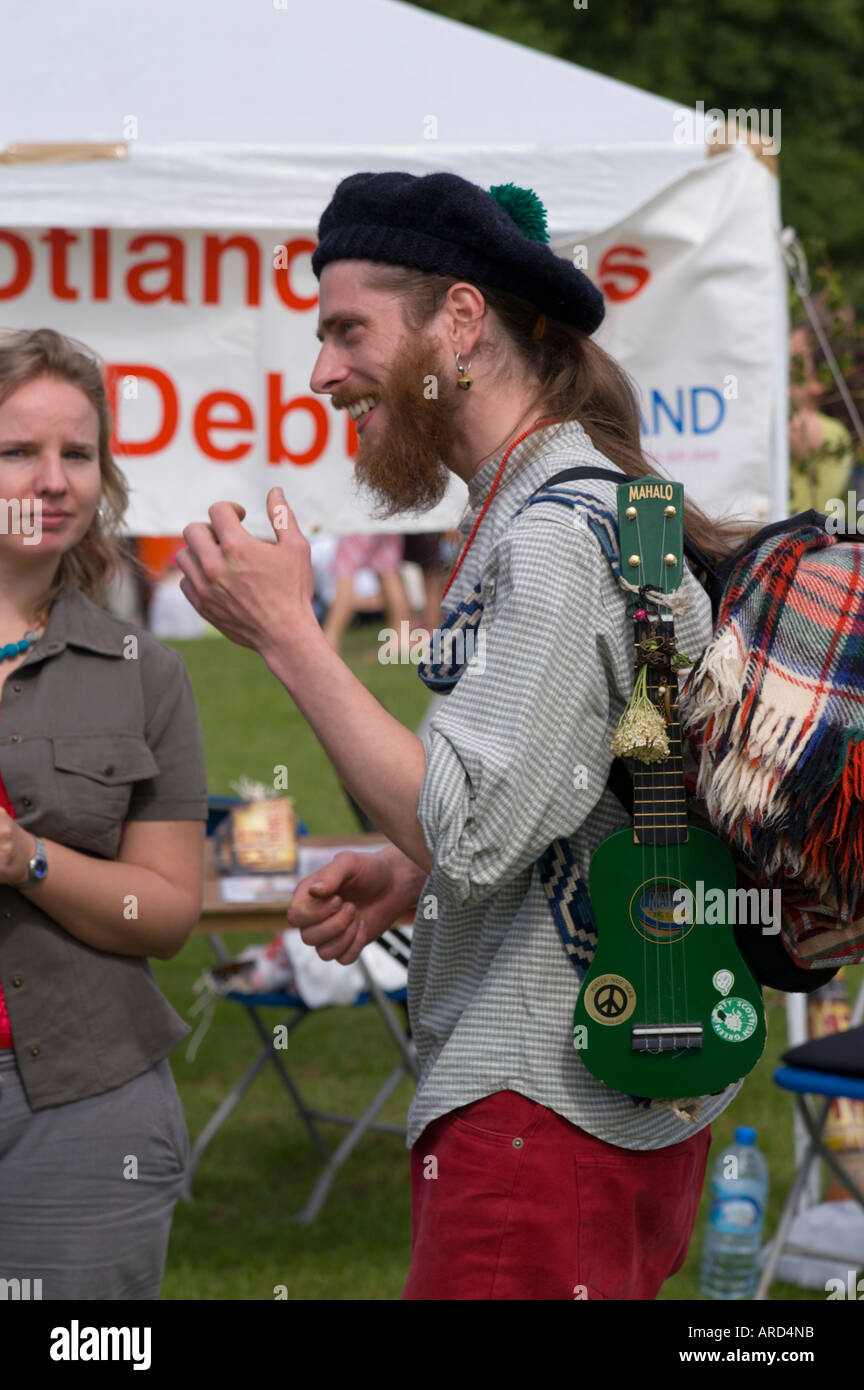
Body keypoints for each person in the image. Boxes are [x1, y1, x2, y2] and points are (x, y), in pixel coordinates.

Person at [177, 171, 759, 1301]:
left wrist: (289, 636)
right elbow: (591, 776)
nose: (322, 373)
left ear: (459, 321)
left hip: (538, 1115)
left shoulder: (548, 536)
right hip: (617, 1089)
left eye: (349, 330)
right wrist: (412, 867)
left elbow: (474, 827)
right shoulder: (593, 500)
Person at [0, 327, 208, 1300]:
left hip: (83, 1107)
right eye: (17, 451)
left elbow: (166, 915)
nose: (52, 479)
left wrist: (25, 857)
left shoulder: (144, 671)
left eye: (76, 454)